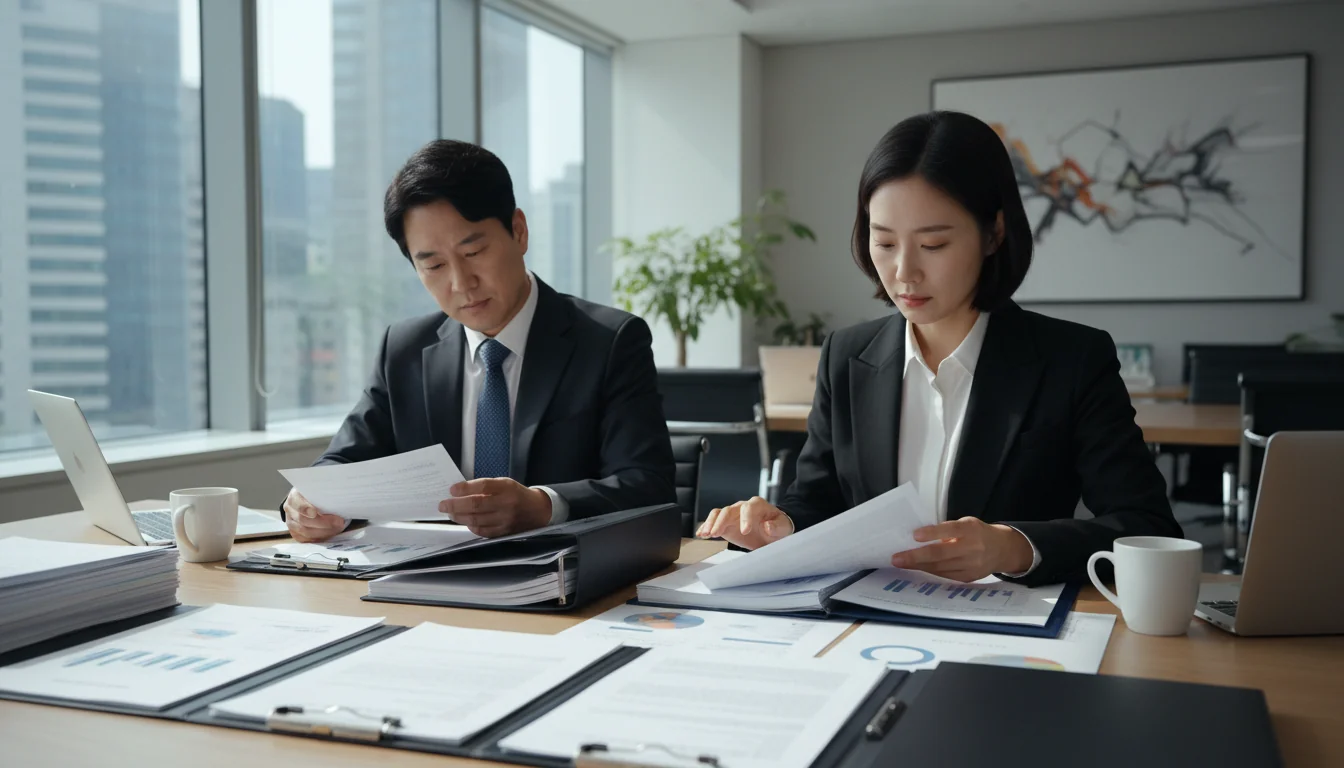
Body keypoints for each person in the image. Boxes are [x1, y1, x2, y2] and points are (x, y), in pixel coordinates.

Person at [696, 111, 1182, 587]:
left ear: (993, 233)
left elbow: (1148, 528)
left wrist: (1012, 546)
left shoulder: (1071, 359)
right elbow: (818, 504)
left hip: (1009, 634)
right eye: (884, 243)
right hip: (867, 631)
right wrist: (781, 528)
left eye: (933, 245)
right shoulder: (847, 356)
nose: (905, 272)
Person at [284, 140, 675, 542]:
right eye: (433, 265)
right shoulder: (404, 350)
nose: (460, 283)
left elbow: (648, 485)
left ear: (518, 231)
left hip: (565, 582)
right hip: (428, 583)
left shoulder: (609, 343)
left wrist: (544, 506)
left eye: (474, 252)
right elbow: (343, 459)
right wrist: (307, 500)